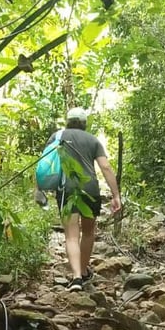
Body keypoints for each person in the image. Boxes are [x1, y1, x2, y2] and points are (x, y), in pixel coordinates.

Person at [47, 107, 121, 291]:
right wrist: (116, 194)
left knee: (71, 236)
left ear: (68, 121)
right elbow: (105, 167)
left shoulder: (58, 136)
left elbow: (45, 164)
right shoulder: (93, 140)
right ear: (85, 123)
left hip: (67, 189)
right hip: (90, 189)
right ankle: (84, 271)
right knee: (88, 232)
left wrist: (39, 190)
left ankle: (77, 277)